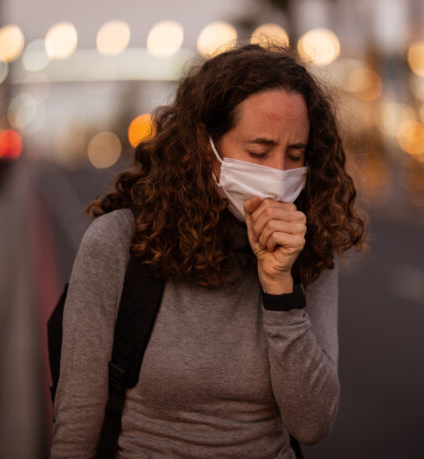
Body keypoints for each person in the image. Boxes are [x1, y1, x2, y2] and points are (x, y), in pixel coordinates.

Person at [51, 44, 366, 458]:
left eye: (295, 155)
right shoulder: (119, 244)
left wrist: (280, 289)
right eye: (258, 152)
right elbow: (76, 425)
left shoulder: (305, 246)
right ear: (206, 146)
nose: (278, 176)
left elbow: (312, 423)